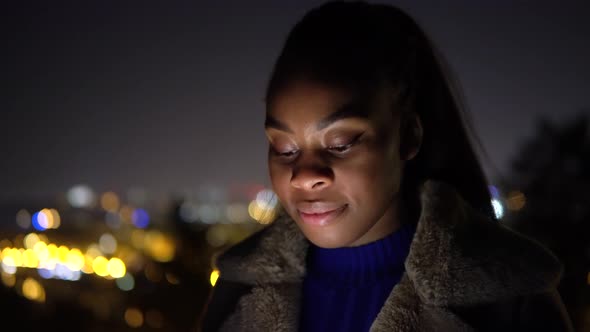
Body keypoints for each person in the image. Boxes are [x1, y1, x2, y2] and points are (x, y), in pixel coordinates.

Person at [197, 1, 574, 331]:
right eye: (284, 148)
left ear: (408, 136)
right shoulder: (235, 292)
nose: (305, 175)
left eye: (340, 144)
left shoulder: (509, 302)